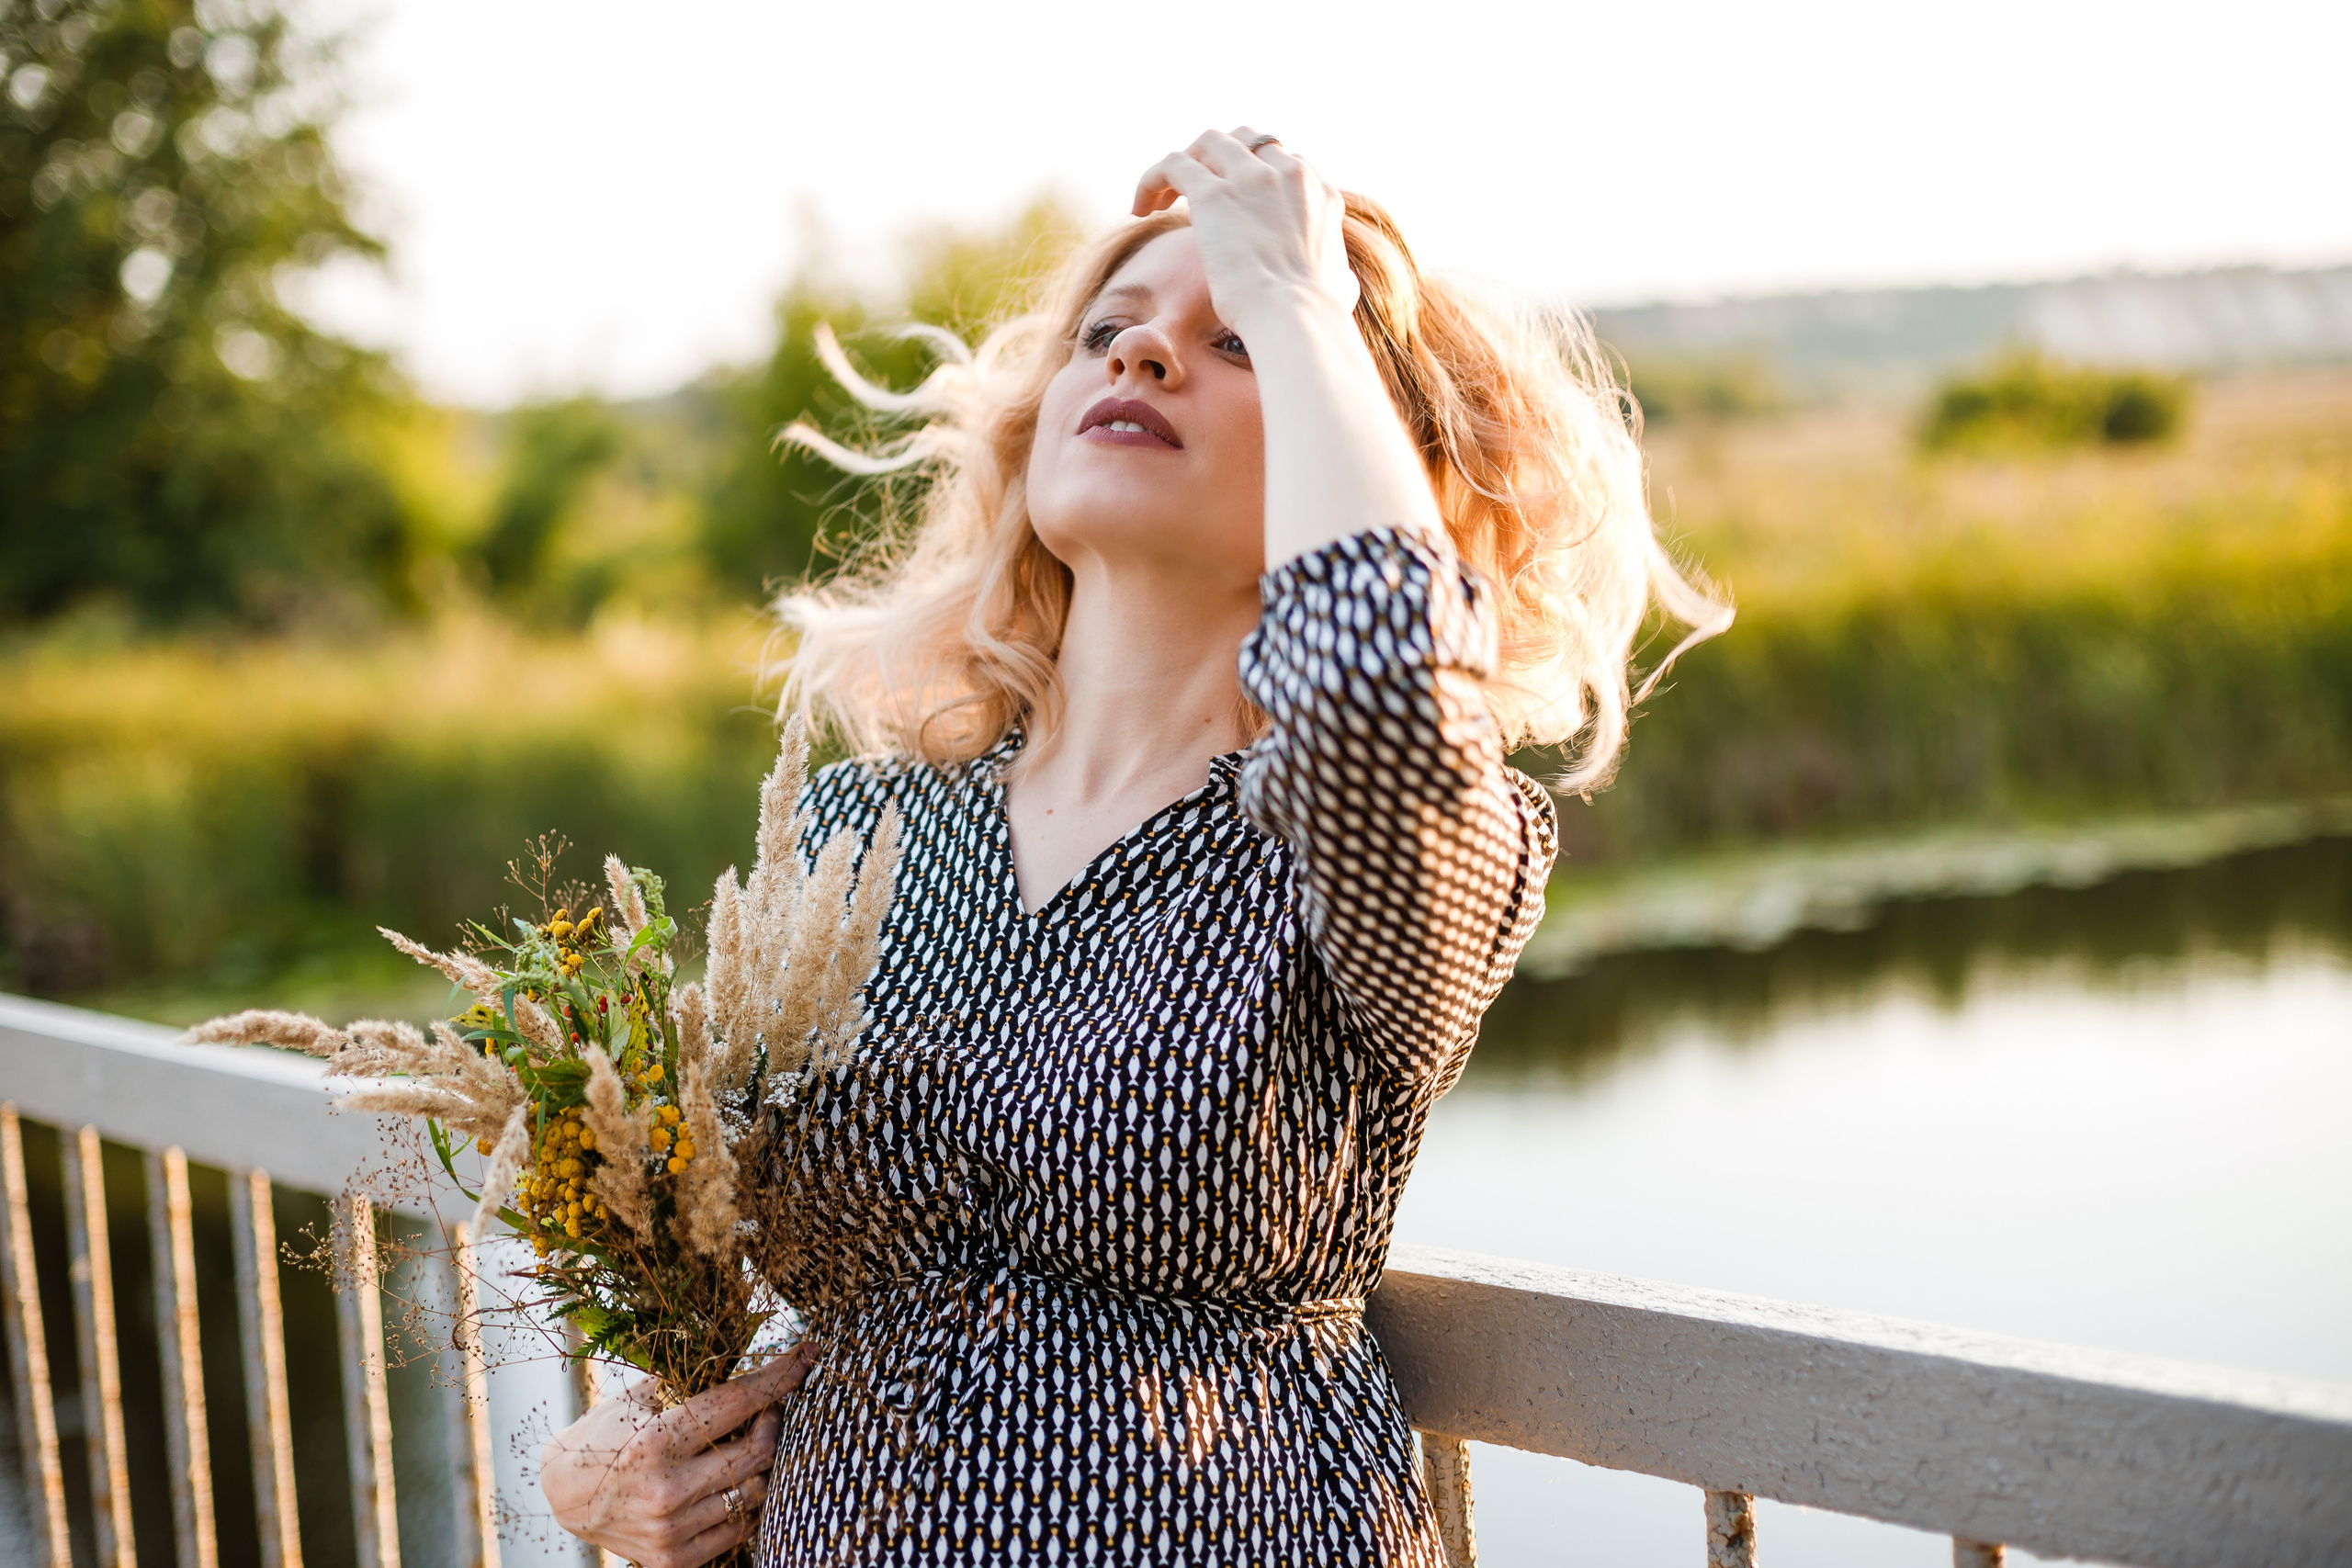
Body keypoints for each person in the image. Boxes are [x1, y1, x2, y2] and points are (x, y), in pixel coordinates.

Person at [541, 127, 1726, 1568]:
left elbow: (1377, 676)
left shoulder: (1375, 836)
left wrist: (1304, 284)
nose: (1144, 359)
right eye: (1109, 332)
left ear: (1366, 463)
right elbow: (786, 1297)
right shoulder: (865, 832)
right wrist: (609, 1462)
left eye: (1233, 341)